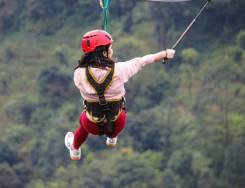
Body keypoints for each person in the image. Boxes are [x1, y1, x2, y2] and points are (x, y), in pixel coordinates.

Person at [64, 29, 176, 160]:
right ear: (104, 52)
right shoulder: (120, 69)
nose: (112, 50)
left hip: (92, 125)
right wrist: (165, 53)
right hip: (118, 123)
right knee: (119, 106)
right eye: (110, 48)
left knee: (83, 121)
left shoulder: (79, 73)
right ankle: (112, 137)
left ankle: (75, 149)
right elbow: (142, 61)